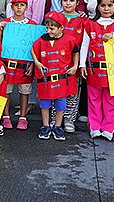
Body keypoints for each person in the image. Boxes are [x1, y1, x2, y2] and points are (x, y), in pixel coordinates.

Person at [79, 0, 114, 141]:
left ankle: (109, 127)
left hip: (113, 69)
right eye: (103, 5)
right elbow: (84, 45)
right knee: (93, 98)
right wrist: (82, 65)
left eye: (110, 5)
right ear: (98, 7)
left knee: (110, 99)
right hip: (94, 68)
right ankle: (94, 126)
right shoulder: (90, 24)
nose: (106, 8)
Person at [31, 11, 79, 142]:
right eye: (47, 28)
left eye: (52, 28)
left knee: (60, 104)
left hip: (62, 80)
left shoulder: (69, 40)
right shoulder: (42, 39)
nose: (48, 31)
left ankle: (58, 126)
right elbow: (32, 49)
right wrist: (37, 61)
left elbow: (76, 52)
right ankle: (45, 126)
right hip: (46, 79)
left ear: (61, 28)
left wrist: (75, 66)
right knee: (45, 103)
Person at [0, 0, 37, 131]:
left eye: (22, 5)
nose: (19, 8)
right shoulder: (7, 23)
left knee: (24, 90)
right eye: (16, 5)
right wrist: (0, 30)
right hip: (7, 62)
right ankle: (6, 116)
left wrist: (32, 64)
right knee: (6, 90)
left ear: (26, 7)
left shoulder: (32, 25)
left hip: (24, 64)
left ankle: (22, 117)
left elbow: (34, 47)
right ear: (12, 6)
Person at [59, 0, 88, 133]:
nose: (68, 3)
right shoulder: (55, 17)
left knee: (73, 91)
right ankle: (55, 118)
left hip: (73, 62)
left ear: (77, 3)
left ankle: (70, 118)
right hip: (56, 61)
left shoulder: (83, 20)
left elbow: (84, 42)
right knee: (57, 90)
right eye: (65, 0)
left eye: (71, 0)